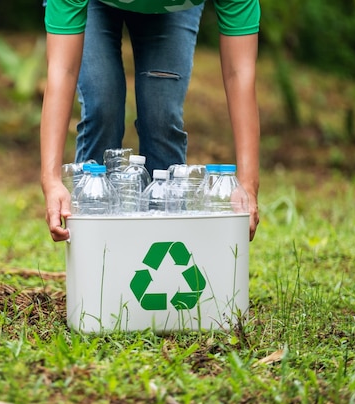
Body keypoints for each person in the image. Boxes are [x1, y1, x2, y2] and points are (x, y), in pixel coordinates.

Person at [40, 0, 261, 242]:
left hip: (173, 12)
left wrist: (248, 184)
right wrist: (51, 180)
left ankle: (163, 260)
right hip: (95, 5)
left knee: (161, 118)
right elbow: (63, 70)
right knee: (103, 106)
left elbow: (239, 73)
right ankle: (96, 257)